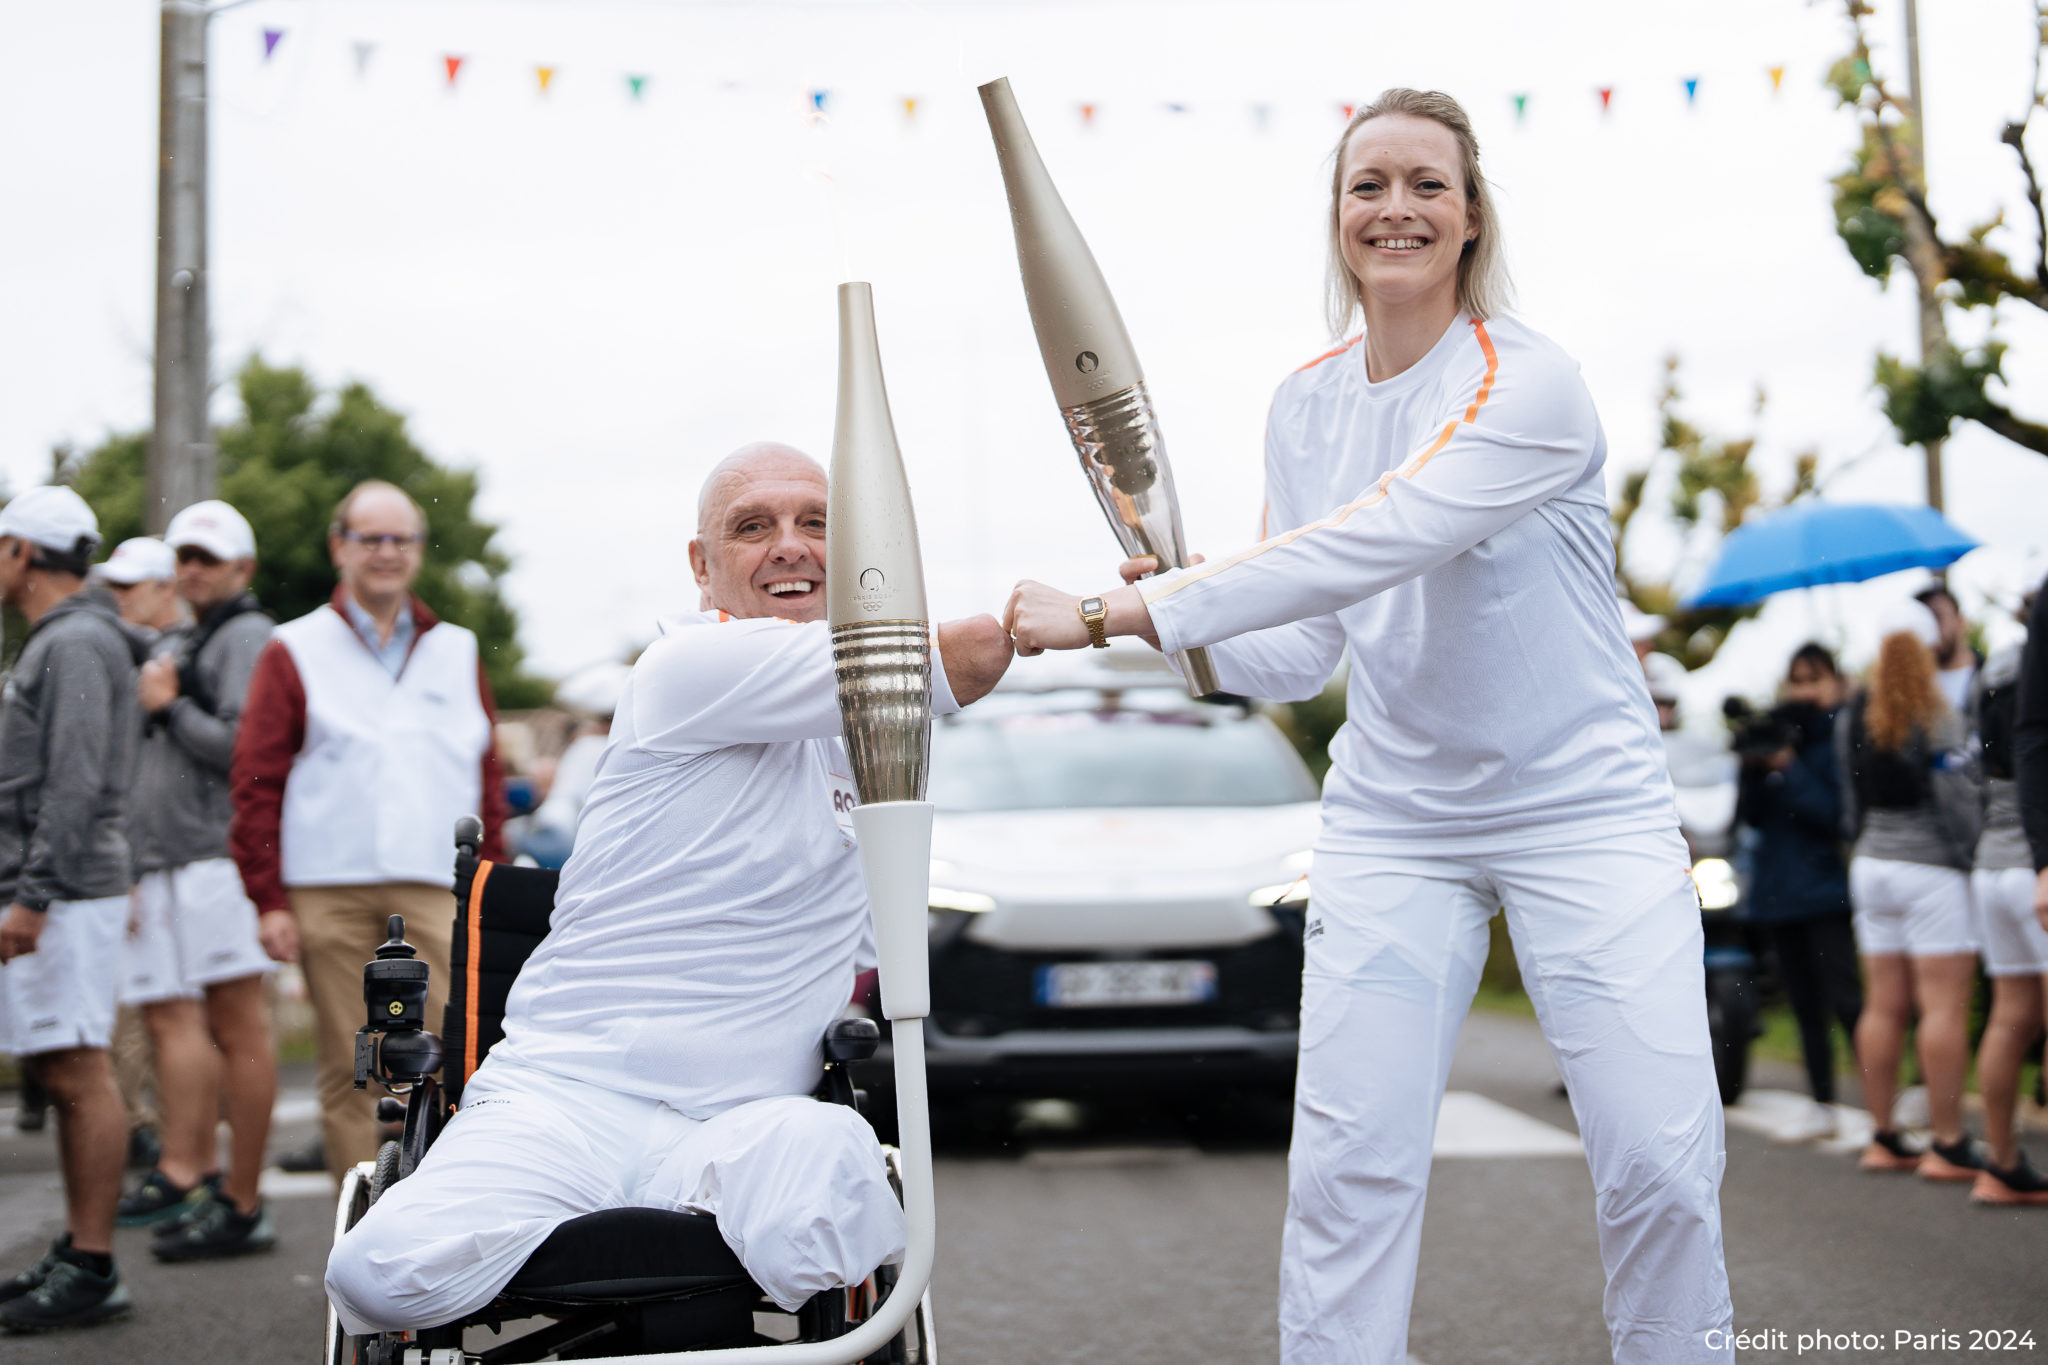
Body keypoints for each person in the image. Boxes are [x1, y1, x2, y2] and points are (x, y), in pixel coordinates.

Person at [1007, 89, 1732, 1365]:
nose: (1394, 207)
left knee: (1658, 1167)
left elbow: (1379, 536)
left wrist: (1120, 609)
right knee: (1347, 1175)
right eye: (1366, 186)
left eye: (1423, 185)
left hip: (1583, 812)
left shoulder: (1527, 383)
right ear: (1337, 218)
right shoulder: (1306, 404)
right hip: (1394, 819)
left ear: (1467, 218)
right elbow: (1296, 649)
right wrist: (1182, 609)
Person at [324, 443, 1013, 1333]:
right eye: (753, 526)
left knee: (845, 1194)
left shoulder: (876, 745)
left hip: (749, 1119)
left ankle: (669, 1232)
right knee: (377, 1274)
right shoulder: (683, 670)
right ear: (703, 566)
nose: (791, 546)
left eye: (816, 523)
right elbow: (972, 652)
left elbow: (866, 951)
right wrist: (1088, 613)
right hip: (567, 1099)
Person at [230, 481, 508, 1181]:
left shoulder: (457, 647)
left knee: (453, 1059)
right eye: (370, 538)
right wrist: (267, 898)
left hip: (437, 885)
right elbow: (257, 780)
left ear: (417, 549)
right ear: (339, 546)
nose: (386, 552)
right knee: (351, 1066)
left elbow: (488, 779)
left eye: (401, 539)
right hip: (326, 886)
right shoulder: (292, 647)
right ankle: (359, 1252)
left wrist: (491, 883)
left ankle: (440, 1232)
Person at [112, 501, 283, 1259]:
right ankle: (200, 1174)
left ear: (242, 569)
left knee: (238, 1024)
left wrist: (171, 706)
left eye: (208, 558)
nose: (192, 570)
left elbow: (249, 750)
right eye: (185, 556)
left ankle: (243, 1200)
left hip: (218, 855)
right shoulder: (193, 633)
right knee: (187, 1021)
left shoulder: (246, 634)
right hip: (175, 857)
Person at [0, 487, 144, 1333]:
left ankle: (92, 1265)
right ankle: (81, 1249)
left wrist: (32, 894)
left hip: (67, 891)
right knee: (60, 1068)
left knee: (80, 1070)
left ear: (22, 552)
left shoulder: (79, 640)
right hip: (62, 887)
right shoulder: (71, 637)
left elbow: (77, 780)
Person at [1838, 600, 1981, 1180]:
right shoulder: (1937, 714)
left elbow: (1848, 803)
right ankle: (1947, 1142)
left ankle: (1884, 1135)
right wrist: (1975, 860)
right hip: (1930, 870)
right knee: (1942, 1008)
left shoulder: (1855, 715)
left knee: (1882, 1006)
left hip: (1870, 863)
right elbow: (1958, 805)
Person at [1732, 644, 1860, 1140]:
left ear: (1834, 681)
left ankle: (1879, 1104)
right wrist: (1756, 764)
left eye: (1814, 679)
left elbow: (1835, 815)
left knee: (1847, 1001)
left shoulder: (1841, 737)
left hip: (1825, 890)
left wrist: (1790, 765)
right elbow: (1751, 817)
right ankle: (1822, 1102)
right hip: (1778, 891)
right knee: (1805, 1006)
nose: (1804, 691)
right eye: (1797, 680)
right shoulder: (1773, 733)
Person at [97, 536, 185, 1168]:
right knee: (146, 1020)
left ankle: (176, 1155)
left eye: (131, 586)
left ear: (166, 588)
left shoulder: (176, 659)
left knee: (166, 1021)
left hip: (185, 866)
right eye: (115, 586)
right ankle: (160, 1145)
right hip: (150, 864)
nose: (117, 597)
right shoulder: (139, 655)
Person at [1966, 602, 2048, 1203]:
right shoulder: (2035, 669)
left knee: (2010, 1016)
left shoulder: (1989, 674)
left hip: (1990, 863)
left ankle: (2000, 1163)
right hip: (2035, 862)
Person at [1915, 581, 1981, 712]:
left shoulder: (1996, 681)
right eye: (1923, 622)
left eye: (1937, 617)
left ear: (1961, 621)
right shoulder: (1914, 692)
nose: (1930, 629)